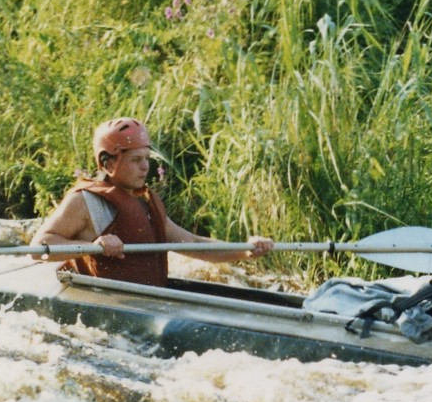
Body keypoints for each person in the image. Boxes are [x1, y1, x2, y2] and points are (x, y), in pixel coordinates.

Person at [30, 117, 272, 288]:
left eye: (147, 158)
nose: (146, 166)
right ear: (109, 164)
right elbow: (39, 246)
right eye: (136, 160)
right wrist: (94, 243)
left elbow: (195, 244)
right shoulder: (84, 201)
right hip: (108, 305)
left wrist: (245, 250)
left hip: (147, 299)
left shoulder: (145, 200)